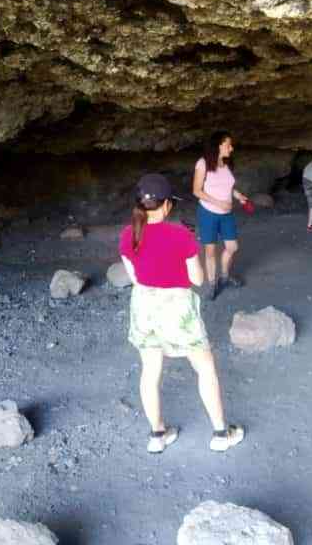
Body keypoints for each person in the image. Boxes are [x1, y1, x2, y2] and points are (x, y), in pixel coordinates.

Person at [119, 173, 244, 454]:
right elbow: (197, 279)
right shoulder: (180, 235)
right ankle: (221, 433)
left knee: (150, 371)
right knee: (205, 368)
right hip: (177, 308)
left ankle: (157, 435)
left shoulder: (128, 235)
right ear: (166, 206)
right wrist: (192, 248)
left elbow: (135, 277)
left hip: (144, 306)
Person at [193, 131, 249, 300]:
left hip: (226, 214)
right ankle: (212, 284)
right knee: (210, 252)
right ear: (218, 145)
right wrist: (219, 203)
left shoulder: (226, 163)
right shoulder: (202, 163)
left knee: (232, 247)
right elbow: (196, 191)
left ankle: (224, 277)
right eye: (228, 145)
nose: (231, 148)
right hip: (208, 213)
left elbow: (226, 187)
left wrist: (237, 195)